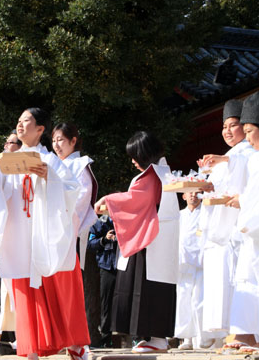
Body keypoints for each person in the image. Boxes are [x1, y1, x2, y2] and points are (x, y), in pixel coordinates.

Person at [0, 107, 90, 360]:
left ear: (40, 129)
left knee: (59, 291)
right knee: (24, 294)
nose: (20, 125)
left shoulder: (51, 160)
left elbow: (73, 191)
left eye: (26, 121)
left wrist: (50, 177)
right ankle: (31, 349)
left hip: (45, 237)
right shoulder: (6, 161)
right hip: (19, 238)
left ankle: (75, 345)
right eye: (18, 121)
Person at [94, 131, 180, 353]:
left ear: (144, 154)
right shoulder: (159, 172)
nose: (133, 161)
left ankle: (158, 339)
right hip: (149, 239)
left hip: (151, 241)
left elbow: (136, 200)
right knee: (142, 287)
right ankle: (149, 337)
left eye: (135, 156)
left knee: (149, 289)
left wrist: (108, 199)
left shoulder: (155, 174)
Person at [201, 91, 259, 350]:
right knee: (248, 282)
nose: (248, 138)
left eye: (249, 131)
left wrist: (245, 202)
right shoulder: (257, 156)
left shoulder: (252, 155)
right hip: (253, 231)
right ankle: (248, 333)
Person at [51, 122, 99, 347]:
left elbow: (80, 200)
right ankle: (60, 337)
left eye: (60, 139)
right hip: (53, 234)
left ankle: (76, 339)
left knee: (71, 290)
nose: (56, 145)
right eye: (53, 141)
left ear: (73, 141)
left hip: (70, 233)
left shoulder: (80, 166)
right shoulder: (55, 166)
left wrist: (59, 221)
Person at [174, 192, 214, 350]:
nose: (193, 196)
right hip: (182, 263)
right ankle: (187, 339)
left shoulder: (205, 213)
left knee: (199, 301)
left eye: (197, 193)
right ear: (184, 196)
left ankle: (203, 337)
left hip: (200, 262)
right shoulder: (179, 215)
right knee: (183, 301)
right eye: (190, 193)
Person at [87, 216, 117, 348]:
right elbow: (90, 244)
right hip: (106, 267)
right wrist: (104, 239)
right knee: (106, 304)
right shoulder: (99, 223)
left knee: (126, 303)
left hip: (123, 266)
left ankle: (136, 338)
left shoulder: (125, 219)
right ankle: (106, 338)